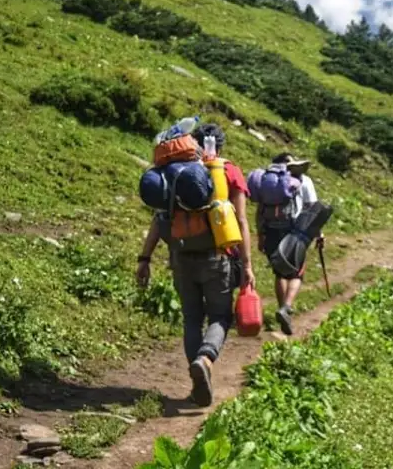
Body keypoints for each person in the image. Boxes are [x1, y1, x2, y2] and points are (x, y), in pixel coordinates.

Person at [135, 123, 255, 407]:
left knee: (191, 319)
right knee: (219, 318)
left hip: (180, 257)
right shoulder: (227, 171)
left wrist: (145, 258)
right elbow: (240, 221)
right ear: (219, 145)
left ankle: (197, 381)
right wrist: (247, 265)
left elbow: (158, 220)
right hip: (217, 257)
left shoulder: (172, 173)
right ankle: (204, 359)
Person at [256, 152, 322, 336]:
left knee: (279, 272)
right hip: (294, 231)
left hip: (270, 229)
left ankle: (281, 307)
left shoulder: (269, 181)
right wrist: (318, 233)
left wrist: (260, 235)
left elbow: (260, 210)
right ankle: (286, 307)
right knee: (296, 273)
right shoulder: (304, 180)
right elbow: (312, 208)